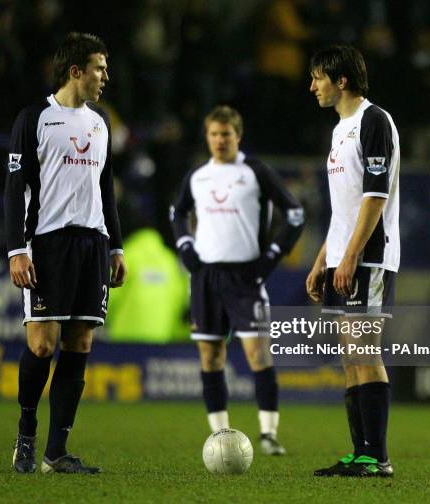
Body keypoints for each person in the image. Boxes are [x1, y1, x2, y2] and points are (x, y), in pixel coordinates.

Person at [4, 32, 126, 475]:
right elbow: (14, 189)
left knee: (81, 341)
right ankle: (26, 433)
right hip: (47, 243)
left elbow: (106, 188)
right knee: (41, 345)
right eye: (99, 68)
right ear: (76, 71)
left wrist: (116, 244)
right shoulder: (34, 117)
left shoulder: (101, 122)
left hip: (92, 243)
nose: (105, 76)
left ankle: (57, 452)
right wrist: (18, 250)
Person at [170, 105, 304, 455]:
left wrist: (271, 257)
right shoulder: (198, 177)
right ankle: (219, 433)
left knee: (258, 353)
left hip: (246, 276)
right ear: (207, 136)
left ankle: (269, 433)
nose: (219, 140)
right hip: (206, 277)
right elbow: (177, 212)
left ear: (238, 136)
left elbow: (295, 214)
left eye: (225, 134)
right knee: (210, 355)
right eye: (213, 134)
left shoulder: (255, 172)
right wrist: (186, 246)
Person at [306, 45, 399, 477]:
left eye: (318, 78)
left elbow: (374, 197)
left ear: (340, 80)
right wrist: (322, 259)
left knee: (365, 350)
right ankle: (360, 453)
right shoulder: (339, 128)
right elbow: (341, 209)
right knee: (349, 354)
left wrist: (352, 255)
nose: (312, 87)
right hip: (343, 255)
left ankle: (376, 457)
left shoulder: (373, 121)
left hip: (369, 255)